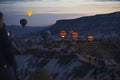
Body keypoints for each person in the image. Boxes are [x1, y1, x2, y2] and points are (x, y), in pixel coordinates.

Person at [0, 12, 18, 80]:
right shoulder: (2, 34)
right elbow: (8, 49)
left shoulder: (3, 32)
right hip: (5, 67)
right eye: (2, 19)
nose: (3, 21)